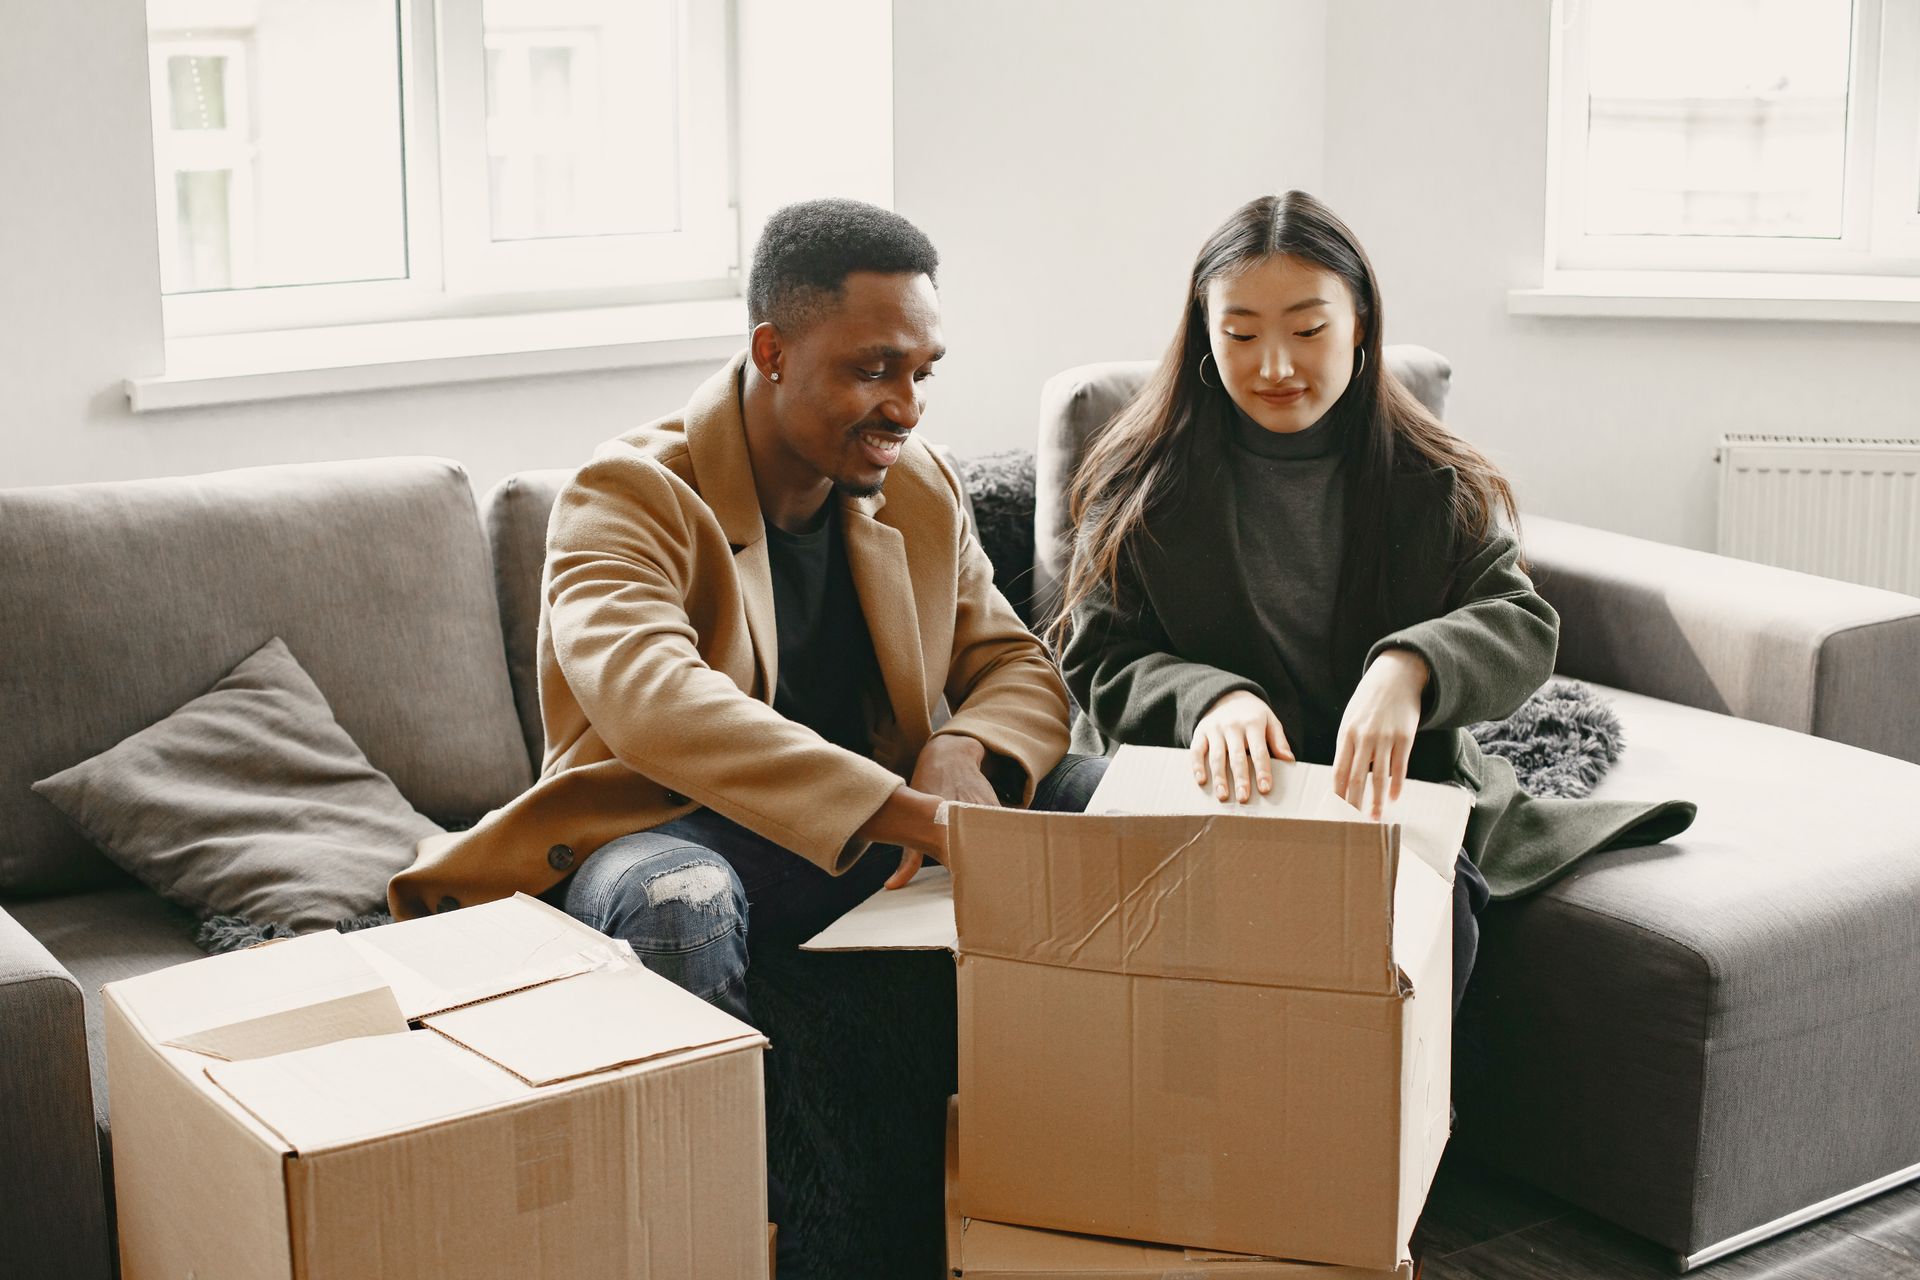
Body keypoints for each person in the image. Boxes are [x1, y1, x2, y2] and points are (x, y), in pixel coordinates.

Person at [1053, 190, 1694, 1017]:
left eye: (1309, 329)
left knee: (1428, 913)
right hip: (1195, 786)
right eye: (1241, 333)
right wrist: (1207, 700)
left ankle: (1404, 1143)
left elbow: (1521, 624)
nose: (1275, 364)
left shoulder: (1434, 477)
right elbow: (1096, 655)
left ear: (1361, 325)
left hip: (1378, 799)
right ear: (1205, 335)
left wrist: (1410, 666)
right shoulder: (1144, 478)